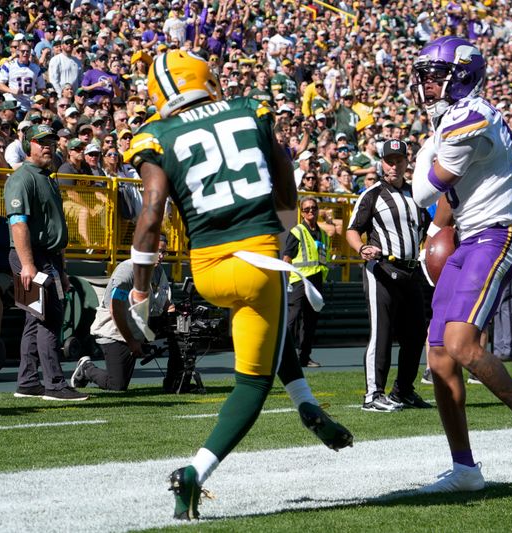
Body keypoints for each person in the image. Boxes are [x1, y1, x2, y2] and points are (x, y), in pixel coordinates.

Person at [124, 51, 352, 520]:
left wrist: (141, 289)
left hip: (207, 270)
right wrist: (285, 230)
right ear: (206, 80)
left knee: (265, 327)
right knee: (252, 384)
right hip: (258, 257)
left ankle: (308, 404)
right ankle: (195, 472)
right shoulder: (251, 109)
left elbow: (151, 215)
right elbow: (285, 174)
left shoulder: (157, 134)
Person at [410, 37, 512, 491]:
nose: (427, 83)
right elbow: (448, 203)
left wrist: (425, 148)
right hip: (468, 237)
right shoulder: (454, 118)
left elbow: (424, 190)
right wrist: (436, 235)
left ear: (463, 76)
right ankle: (465, 470)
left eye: (436, 75)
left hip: (497, 234)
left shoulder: (471, 117)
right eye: (426, 75)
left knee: (459, 342)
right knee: (437, 354)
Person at [346, 139, 432, 412]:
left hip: (411, 271)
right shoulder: (371, 194)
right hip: (381, 270)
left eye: (399, 160)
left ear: (408, 163)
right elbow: (351, 229)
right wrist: (361, 247)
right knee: (381, 333)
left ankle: (403, 391)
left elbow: (429, 232)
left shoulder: (417, 196)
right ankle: (373, 394)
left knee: (417, 333)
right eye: (389, 160)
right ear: (381, 162)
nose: (394, 165)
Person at [4, 124, 88, 401]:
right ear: (29, 145)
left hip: (47, 256)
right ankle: (54, 383)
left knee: (33, 319)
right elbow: (18, 224)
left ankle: (27, 381)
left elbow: (55, 228)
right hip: (31, 256)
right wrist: (28, 265)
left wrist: (61, 269)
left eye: (51, 140)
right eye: (41, 142)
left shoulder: (47, 177)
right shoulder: (22, 178)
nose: (48, 145)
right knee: (49, 317)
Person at [72, 235, 184, 391]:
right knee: (117, 384)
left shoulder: (158, 271)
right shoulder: (126, 271)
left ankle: (175, 381)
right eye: (156, 251)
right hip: (115, 330)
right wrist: (132, 342)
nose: (161, 256)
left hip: (137, 327)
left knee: (181, 332)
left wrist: (175, 314)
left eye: (164, 252)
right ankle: (86, 369)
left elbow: (164, 301)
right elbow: (115, 309)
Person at [283, 197, 329, 368]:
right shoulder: (297, 231)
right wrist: (288, 279)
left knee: (310, 321)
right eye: (307, 209)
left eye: (314, 208)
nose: (311, 211)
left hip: (317, 280)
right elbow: (286, 257)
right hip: (300, 280)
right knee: (293, 319)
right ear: (301, 212)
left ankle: (304, 357)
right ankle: (283, 356)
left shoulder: (324, 234)